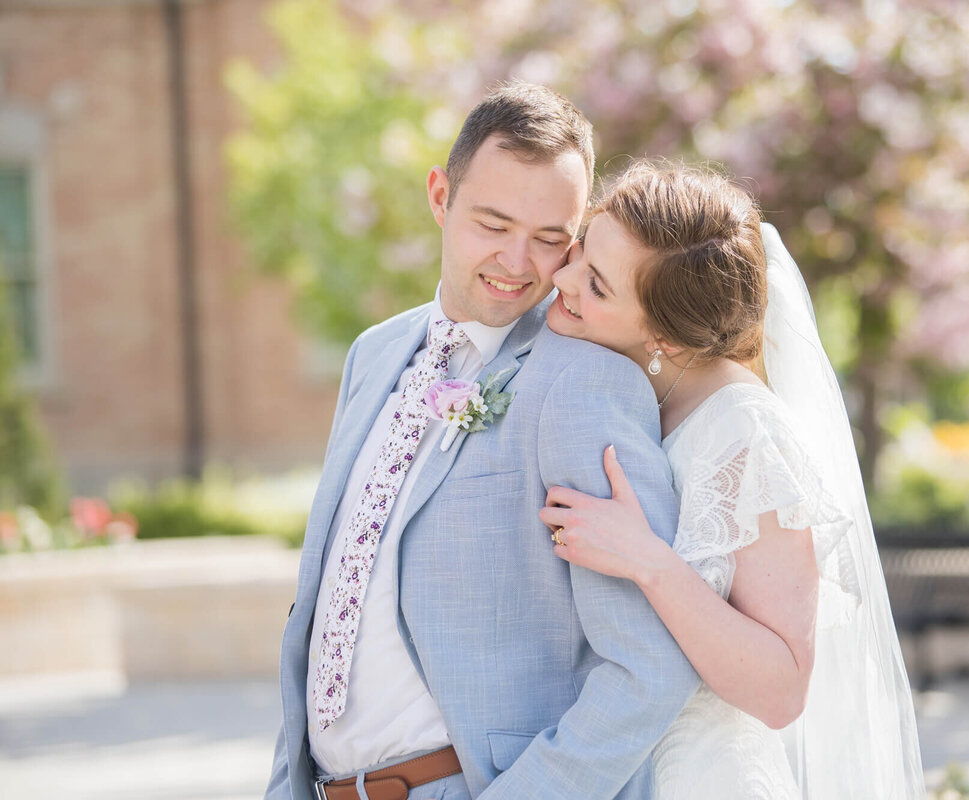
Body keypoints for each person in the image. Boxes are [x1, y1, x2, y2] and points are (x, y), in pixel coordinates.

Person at [266, 85, 698, 800]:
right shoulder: (374, 355)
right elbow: (328, 594)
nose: (518, 262)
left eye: (550, 238)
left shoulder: (583, 383)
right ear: (440, 197)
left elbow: (648, 666)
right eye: (492, 224)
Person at [540, 161, 926, 798]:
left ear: (661, 333)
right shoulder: (633, 392)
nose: (562, 278)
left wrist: (647, 560)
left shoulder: (747, 433)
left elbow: (781, 690)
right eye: (581, 250)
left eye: (598, 286)